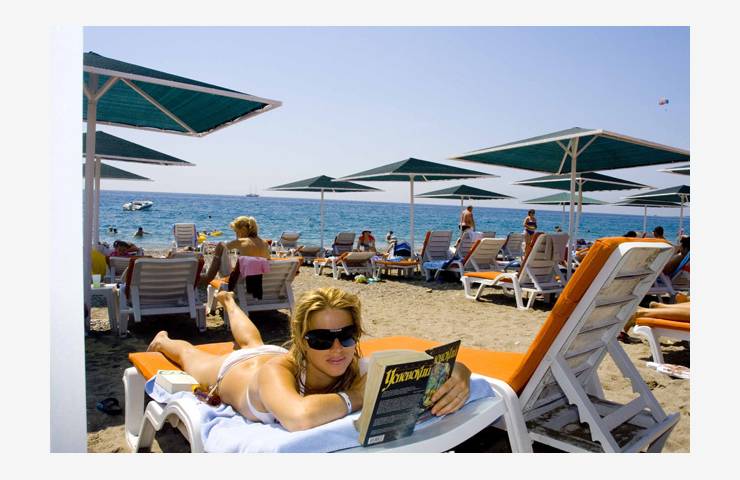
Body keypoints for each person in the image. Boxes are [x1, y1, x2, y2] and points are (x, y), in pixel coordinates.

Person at [147, 287, 472, 430]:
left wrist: (458, 373)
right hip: (236, 370)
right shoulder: (276, 372)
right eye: (321, 339)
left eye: (346, 335)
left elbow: (430, 362)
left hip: (270, 352)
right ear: (302, 339)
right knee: (190, 354)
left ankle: (230, 302)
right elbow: (299, 417)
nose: (336, 349)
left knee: (252, 340)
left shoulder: (350, 362)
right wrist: (361, 394)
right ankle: (164, 340)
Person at [199, 215, 271, 287]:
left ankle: (208, 277)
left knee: (220, 246)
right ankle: (207, 277)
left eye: (236, 232)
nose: (236, 235)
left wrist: (215, 249)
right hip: (260, 284)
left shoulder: (241, 241)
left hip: (239, 285)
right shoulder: (265, 243)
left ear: (243, 230)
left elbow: (224, 247)